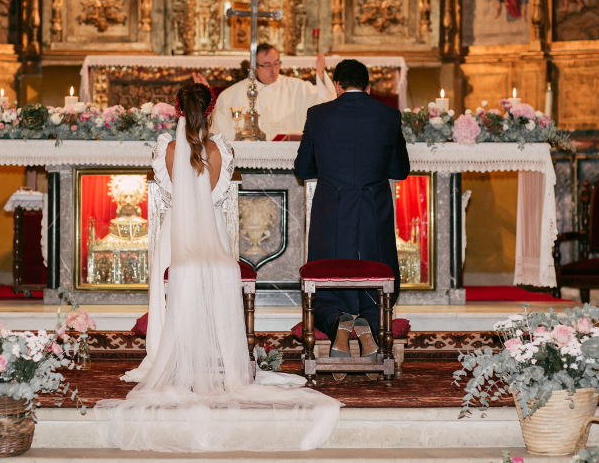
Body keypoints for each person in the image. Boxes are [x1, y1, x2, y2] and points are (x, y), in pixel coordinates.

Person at [95, 83, 340, 452]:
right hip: (213, 240)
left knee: (174, 279)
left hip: (177, 239)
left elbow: (169, 194)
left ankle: (170, 355)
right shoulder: (221, 151)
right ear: (210, 112)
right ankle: (217, 356)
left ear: (179, 111)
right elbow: (218, 195)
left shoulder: (167, 150)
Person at [293, 59, 409, 362]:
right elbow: (400, 169)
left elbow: (303, 169)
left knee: (328, 271)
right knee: (376, 266)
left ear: (337, 86)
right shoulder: (389, 115)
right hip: (374, 209)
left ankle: (337, 319)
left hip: (332, 209)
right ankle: (369, 320)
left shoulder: (318, 114)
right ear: (368, 87)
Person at [193, 44, 336, 140]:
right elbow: (217, 120)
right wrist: (206, 97)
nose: (273, 69)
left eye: (276, 63)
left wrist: (321, 75)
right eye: (267, 65)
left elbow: (325, 102)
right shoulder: (235, 93)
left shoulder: (297, 88)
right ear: (255, 67)